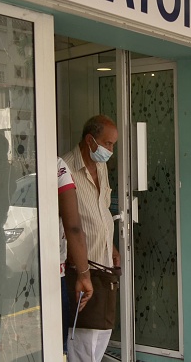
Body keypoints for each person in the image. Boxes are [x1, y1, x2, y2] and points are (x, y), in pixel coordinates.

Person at [63, 115, 120, 362]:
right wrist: (83, 273)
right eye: (107, 144)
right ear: (90, 140)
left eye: (113, 145)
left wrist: (113, 246)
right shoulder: (65, 168)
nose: (110, 150)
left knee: (102, 335)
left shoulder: (101, 167)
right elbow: (71, 226)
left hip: (104, 265)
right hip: (83, 270)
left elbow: (102, 210)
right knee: (84, 343)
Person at [57, 157, 93, 355]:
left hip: (9, 268)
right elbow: (73, 226)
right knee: (54, 346)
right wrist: (84, 274)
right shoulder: (56, 166)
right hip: (50, 274)